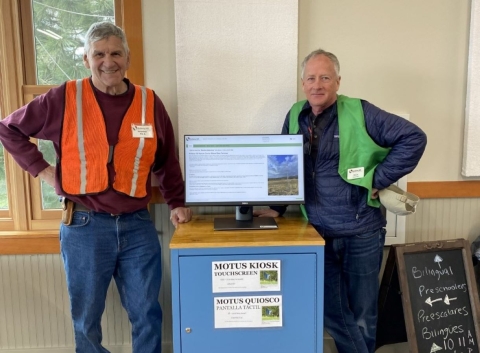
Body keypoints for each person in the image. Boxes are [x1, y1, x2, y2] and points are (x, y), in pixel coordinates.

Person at [0, 21, 191, 353]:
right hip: (84, 227)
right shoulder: (64, 98)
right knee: (86, 319)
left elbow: (166, 161)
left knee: (147, 313)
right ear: (86, 60)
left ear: (127, 59)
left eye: (116, 53)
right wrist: (46, 173)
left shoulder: (149, 103)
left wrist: (176, 202)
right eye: (98, 54)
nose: (108, 61)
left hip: (138, 226)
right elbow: (9, 129)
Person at [255, 49, 427, 353]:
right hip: (316, 230)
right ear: (302, 82)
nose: (317, 84)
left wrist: (379, 178)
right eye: (311, 78)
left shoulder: (361, 111)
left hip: (361, 231)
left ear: (338, 81)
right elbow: (284, 161)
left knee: (362, 314)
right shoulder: (296, 113)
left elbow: (413, 137)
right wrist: (279, 207)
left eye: (325, 77)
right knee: (330, 309)